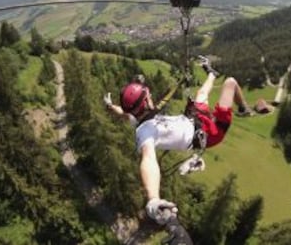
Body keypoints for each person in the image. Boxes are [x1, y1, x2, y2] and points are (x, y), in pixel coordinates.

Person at [103, 56, 253, 225]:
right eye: (149, 95)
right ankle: (244, 107)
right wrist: (153, 198)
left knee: (202, 94)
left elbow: (124, 114)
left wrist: (110, 106)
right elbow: (148, 160)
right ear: (145, 102)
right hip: (209, 133)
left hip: (193, 118)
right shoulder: (145, 133)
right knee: (231, 83)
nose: (151, 95)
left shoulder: (138, 118)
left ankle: (211, 73)